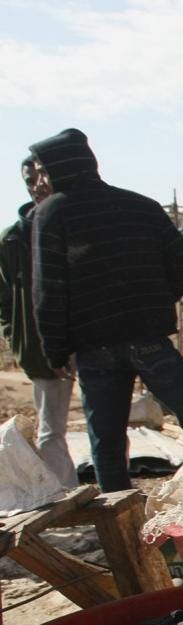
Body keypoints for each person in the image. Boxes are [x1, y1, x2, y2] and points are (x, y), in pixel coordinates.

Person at [28, 128, 183, 492]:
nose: (40, 178)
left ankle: (120, 528)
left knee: (106, 444)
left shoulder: (52, 214)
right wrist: (153, 304)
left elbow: (49, 290)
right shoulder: (140, 206)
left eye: (43, 169)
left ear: (62, 166)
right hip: (147, 337)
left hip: (95, 348)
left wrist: (55, 349)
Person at [0, 157, 76, 487]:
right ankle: (70, 503)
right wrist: (19, 340)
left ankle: (112, 501)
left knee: (107, 429)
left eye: (42, 177)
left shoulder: (80, 223)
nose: (37, 186)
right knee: (50, 432)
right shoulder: (13, 240)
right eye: (29, 179)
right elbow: (5, 300)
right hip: (44, 348)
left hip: (90, 341)